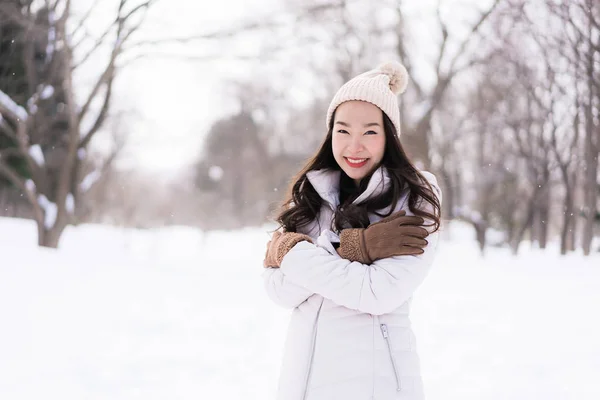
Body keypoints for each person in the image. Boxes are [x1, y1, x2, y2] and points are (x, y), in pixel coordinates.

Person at [262, 61, 442, 400]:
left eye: (369, 132)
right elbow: (278, 291)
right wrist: (353, 248)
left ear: (389, 136)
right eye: (343, 131)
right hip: (302, 385)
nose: (353, 146)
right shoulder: (311, 195)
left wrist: (290, 251)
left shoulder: (416, 195)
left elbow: (378, 293)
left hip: (375, 385)